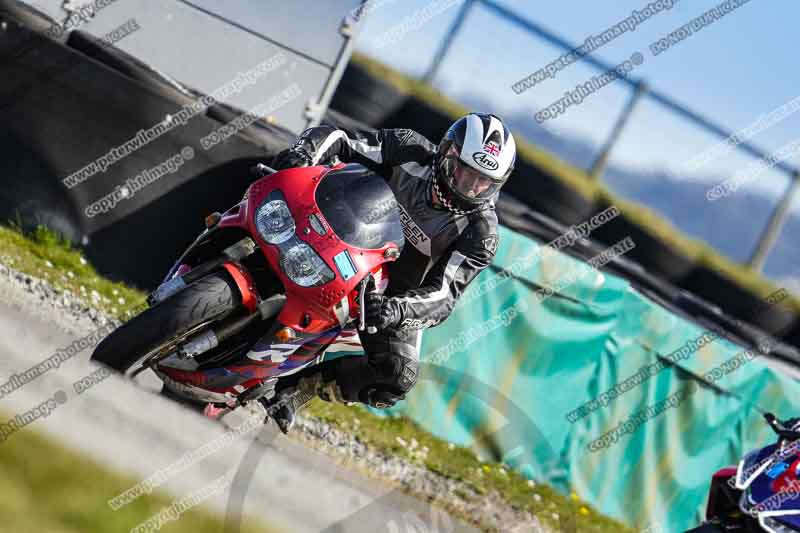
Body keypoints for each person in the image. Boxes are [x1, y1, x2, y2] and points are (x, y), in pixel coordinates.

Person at [262, 112, 517, 433]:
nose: (468, 188)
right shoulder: (409, 148)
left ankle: (293, 391)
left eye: (482, 182)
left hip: (391, 293)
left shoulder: (482, 233)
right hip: (337, 240)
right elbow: (340, 139)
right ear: (446, 153)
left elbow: (444, 296)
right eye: (463, 173)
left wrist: (397, 309)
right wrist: (302, 154)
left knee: (398, 377)